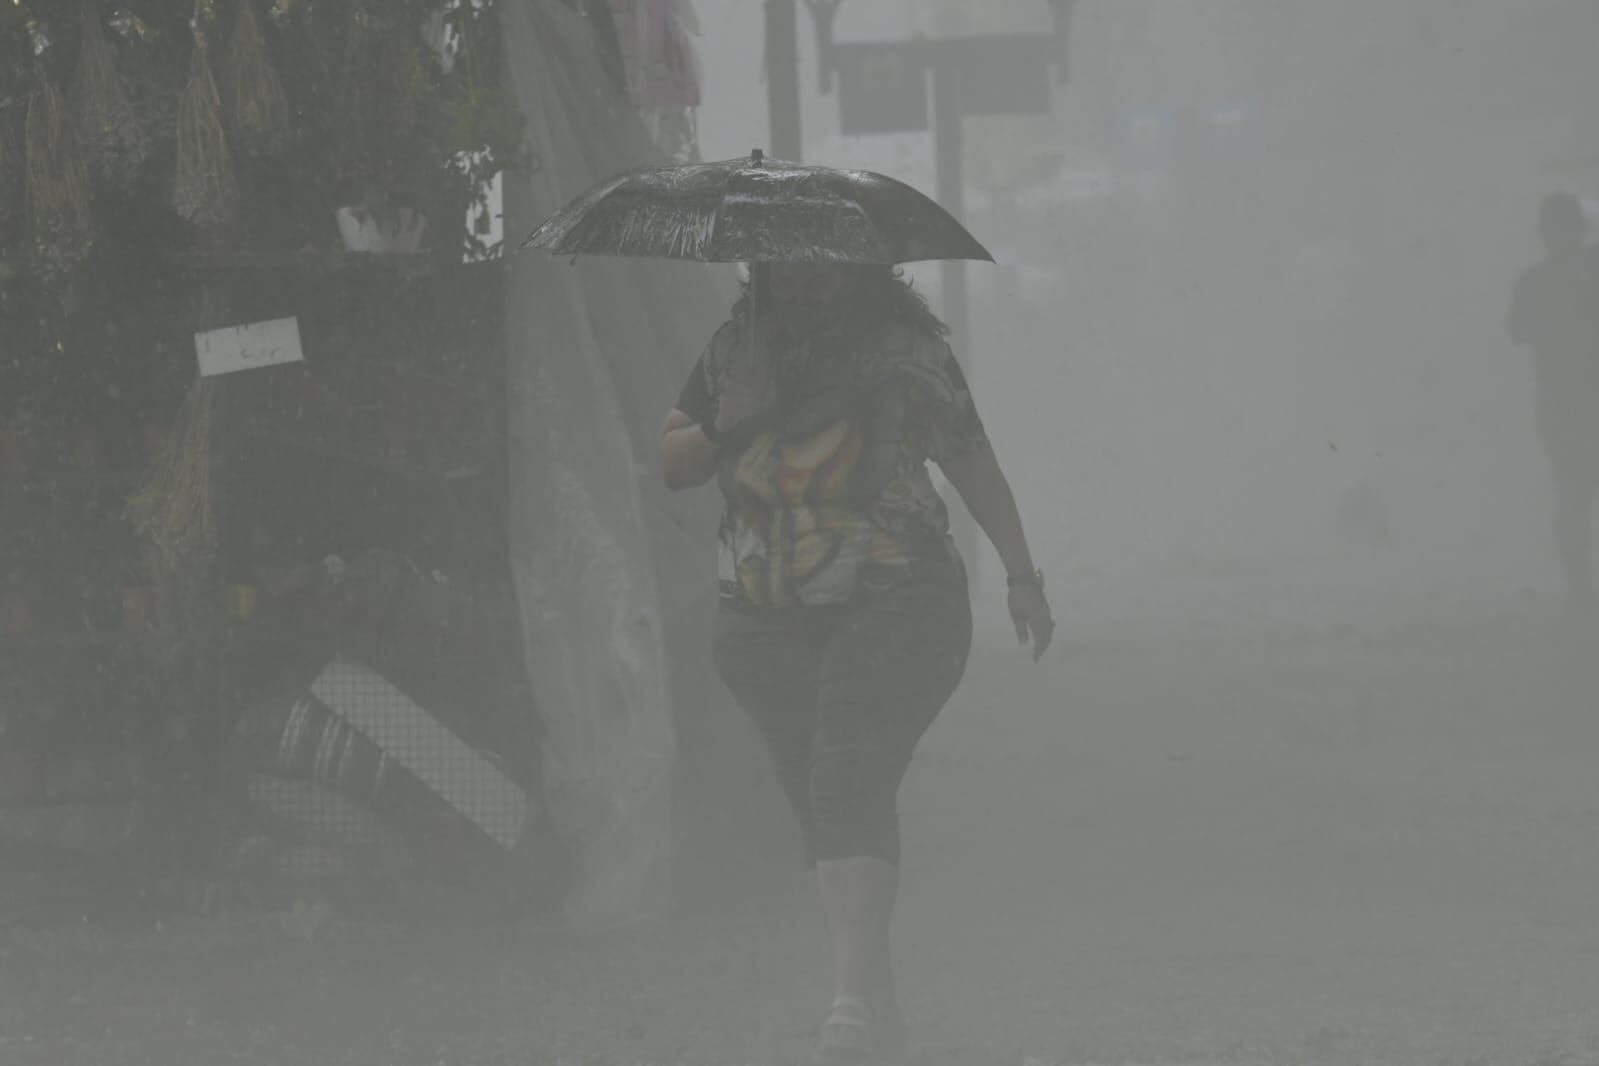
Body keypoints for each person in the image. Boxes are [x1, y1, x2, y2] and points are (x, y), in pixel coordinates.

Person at [658, 262, 1054, 1062]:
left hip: (896, 599)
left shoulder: (905, 353)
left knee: (843, 776)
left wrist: (1020, 575)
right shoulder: (733, 350)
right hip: (761, 620)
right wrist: (728, 422)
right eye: (789, 269)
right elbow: (671, 463)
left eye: (823, 267)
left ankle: (846, 1004)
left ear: (861, 270)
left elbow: (972, 461)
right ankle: (876, 993)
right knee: (828, 796)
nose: (805, 284)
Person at [1507, 192, 1599, 619]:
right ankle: (1580, 590)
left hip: (1559, 404)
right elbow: (1520, 330)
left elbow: (1518, 330)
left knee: (1572, 497)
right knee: (1573, 496)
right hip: (1570, 403)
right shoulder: (1582, 273)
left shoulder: (1535, 279)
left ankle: (1580, 591)